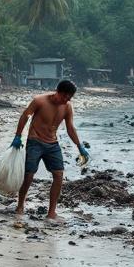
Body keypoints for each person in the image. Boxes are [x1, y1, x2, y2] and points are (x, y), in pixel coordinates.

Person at [14, 80, 87, 220]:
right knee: (29, 175)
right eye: (64, 97)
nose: (66, 100)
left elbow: (70, 128)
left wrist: (80, 146)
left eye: (69, 98)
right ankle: (20, 204)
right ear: (57, 92)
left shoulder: (67, 107)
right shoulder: (39, 101)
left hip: (52, 144)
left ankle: (52, 212)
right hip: (35, 142)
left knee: (59, 175)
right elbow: (25, 116)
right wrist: (17, 136)